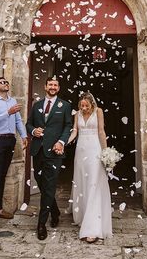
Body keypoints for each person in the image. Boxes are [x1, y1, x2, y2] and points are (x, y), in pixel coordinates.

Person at [26, 77, 73, 240]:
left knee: (50, 185)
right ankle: (55, 211)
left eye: (55, 85)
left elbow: (68, 126)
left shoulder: (65, 106)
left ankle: (41, 224)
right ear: (45, 86)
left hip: (54, 152)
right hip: (38, 150)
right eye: (50, 84)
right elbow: (28, 124)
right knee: (42, 183)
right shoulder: (37, 105)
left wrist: (61, 142)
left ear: (58, 88)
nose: (52, 87)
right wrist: (33, 132)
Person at [67, 92, 112, 243]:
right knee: (82, 182)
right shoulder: (77, 114)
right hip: (80, 151)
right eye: (81, 105)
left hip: (94, 150)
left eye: (86, 105)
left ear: (92, 104)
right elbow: (75, 131)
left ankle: (92, 227)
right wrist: (65, 142)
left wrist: (106, 152)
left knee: (94, 184)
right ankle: (83, 214)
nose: (84, 108)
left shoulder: (98, 112)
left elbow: (101, 131)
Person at [0, 76, 28, 225]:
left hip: (10, 139)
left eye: (6, 82)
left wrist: (23, 136)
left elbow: (18, 121)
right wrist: (7, 112)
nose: (6, 84)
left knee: (3, 174)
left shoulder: (13, 101)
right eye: (2, 82)